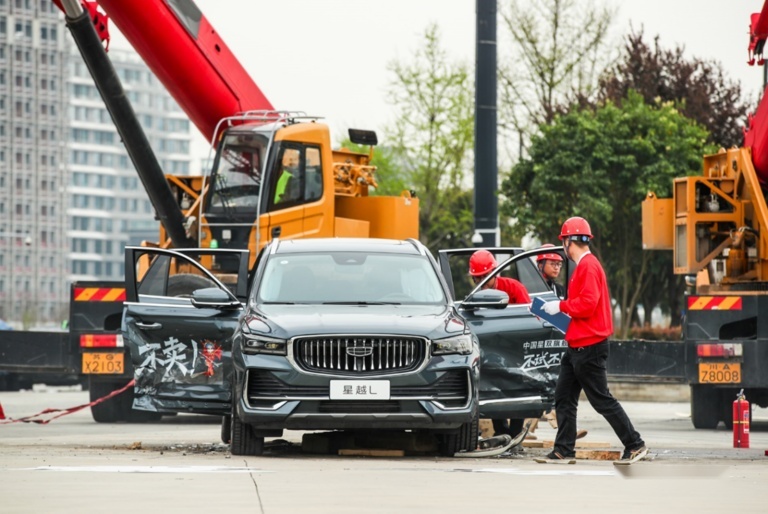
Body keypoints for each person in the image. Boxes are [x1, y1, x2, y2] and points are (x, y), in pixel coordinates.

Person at [540, 216, 647, 463]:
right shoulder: (585, 266)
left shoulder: (588, 266)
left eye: (563, 241)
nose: (563, 247)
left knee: (602, 400)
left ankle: (635, 443)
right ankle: (563, 448)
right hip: (578, 344)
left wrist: (561, 306)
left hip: (589, 346)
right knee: (564, 397)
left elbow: (587, 304)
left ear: (568, 242)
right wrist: (559, 310)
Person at [469, 249, 531, 440]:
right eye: (476, 279)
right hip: (493, 351)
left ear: (496, 273)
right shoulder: (474, 297)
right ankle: (501, 432)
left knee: (519, 388)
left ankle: (515, 433)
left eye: (485, 278)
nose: (481, 284)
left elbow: (529, 319)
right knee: (494, 387)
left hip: (516, 348)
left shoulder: (514, 288)